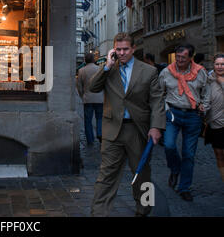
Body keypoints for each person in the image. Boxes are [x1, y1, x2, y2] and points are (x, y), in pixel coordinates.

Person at [89, 33, 165, 217]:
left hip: (138, 130)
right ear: (114, 49)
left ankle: (145, 209)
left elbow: (157, 101)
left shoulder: (148, 71)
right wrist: (106, 66)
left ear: (133, 49)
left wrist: (156, 127)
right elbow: (93, 87)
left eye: (125, 49)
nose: (121, 53)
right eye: (118, 49)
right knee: (106, 175)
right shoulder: (109, 69)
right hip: (112, 130)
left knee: (142, 174)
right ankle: (98, 213)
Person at [158, 43, 210, 202]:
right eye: (177, 57)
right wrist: (165, 108)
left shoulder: (200, 73)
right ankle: (175, 169)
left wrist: (204, 107)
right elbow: (159, 94)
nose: (179, 60)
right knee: (168, 145)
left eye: (183, 58)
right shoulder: (167, 72)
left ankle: (184, 188)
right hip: (172, 113)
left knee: (189, 154)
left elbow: (206, 94)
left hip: (193, 115)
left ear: (190, 58)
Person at [76, 53, 104, 145]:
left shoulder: (81, 70)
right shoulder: (99, 69)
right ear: (93, 60)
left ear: (85, 60)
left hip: (88, 98)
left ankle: (90, 139)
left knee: (87, 120)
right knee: (99, 118)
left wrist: (82, 95)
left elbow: (79, 86)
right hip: (99, 98)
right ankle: (100, 133)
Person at [205, 53, 224, 181]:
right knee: (219, 154)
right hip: (214, 123)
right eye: (217, 64)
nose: (220, 66)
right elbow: (205, 98)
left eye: (222, 64)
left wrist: (222, 82)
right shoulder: (208, 79)